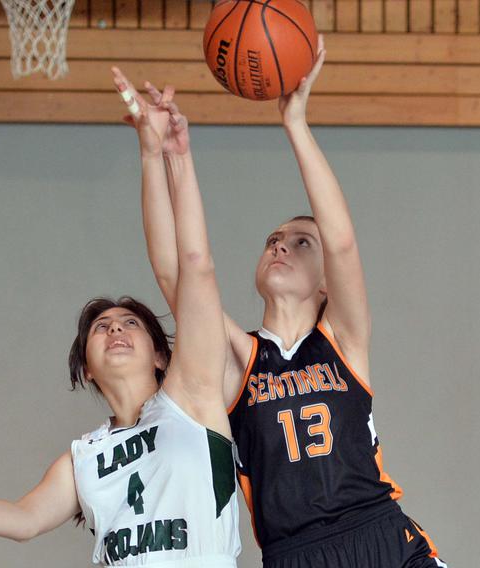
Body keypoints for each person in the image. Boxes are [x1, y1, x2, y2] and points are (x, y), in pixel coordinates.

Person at [129, 36, 447, 568]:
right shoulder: (238, 359)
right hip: (295, 554)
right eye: (274, 239)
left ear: (327, 283)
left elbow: (342, 241)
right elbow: (173, 271)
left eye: (302, 243)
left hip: (381, 535)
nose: (280, 244)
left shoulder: (342, 339)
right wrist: (160, 157)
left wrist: (295, 123)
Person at [0, 87, 241, 567]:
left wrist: (165, 157)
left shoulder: (192, 397)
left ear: (160, 354)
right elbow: (26, 519)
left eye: (131, 323)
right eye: (101, 328)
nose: (114, 330)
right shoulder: (84, 456)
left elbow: (193, 265)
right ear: (85, 368)